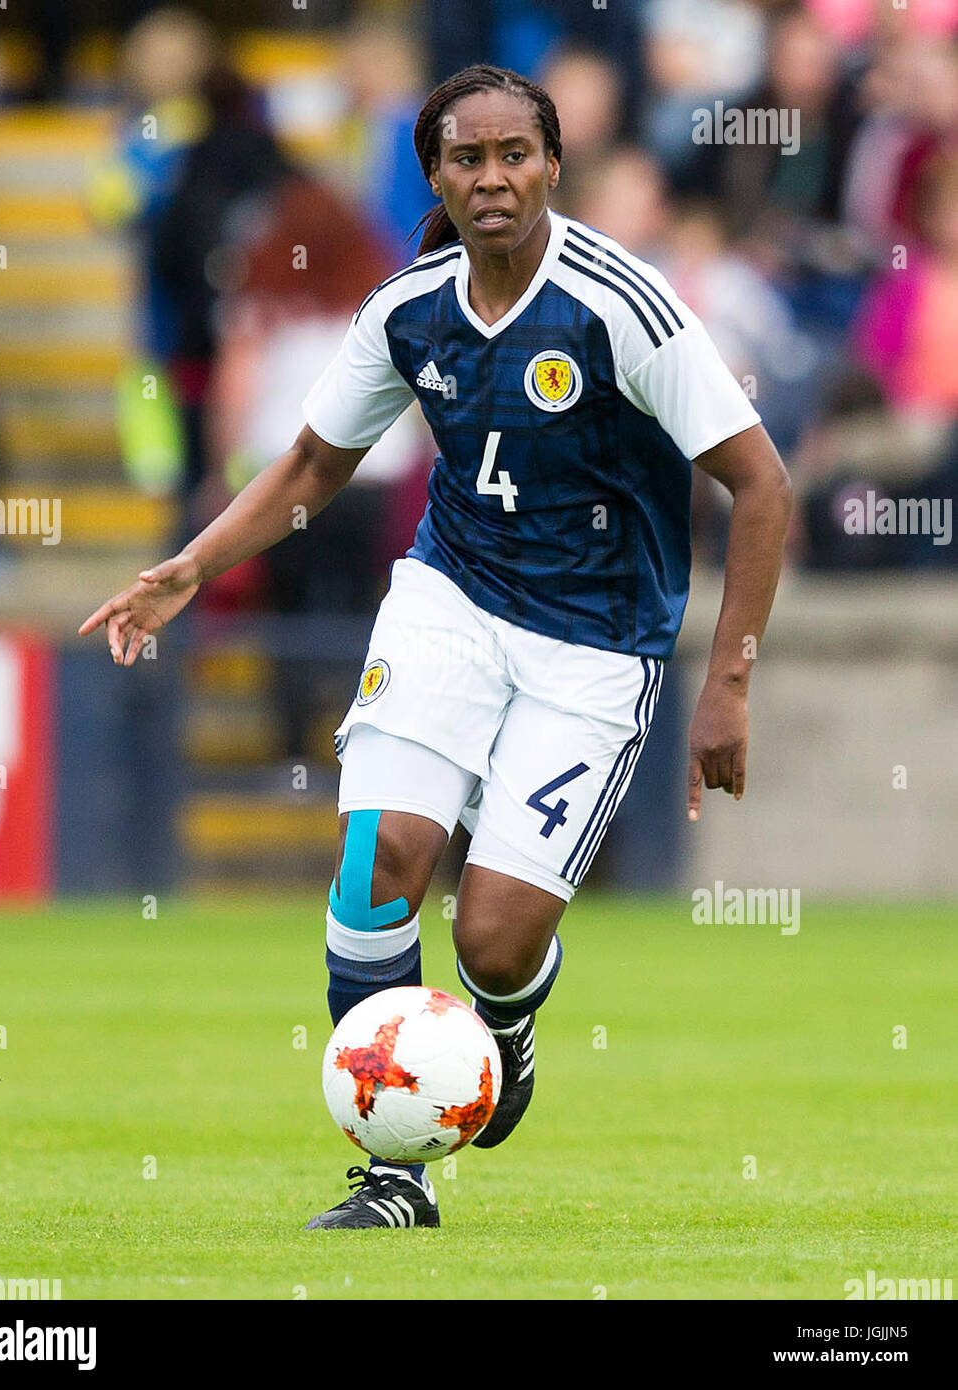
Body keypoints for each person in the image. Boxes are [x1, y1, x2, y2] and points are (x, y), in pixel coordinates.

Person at [79, 64, 792, 1231]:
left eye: (515, 154)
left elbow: (757, 484)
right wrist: (189, 568)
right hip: (448, 605)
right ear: (436, 175)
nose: (493, 177)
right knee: (376, 870)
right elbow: (314, 464)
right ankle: (393, 1175)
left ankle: (502, 1023)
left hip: (595, 647)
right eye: (468, 158)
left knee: (493, 937)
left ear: (552, 163)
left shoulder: (622, 305)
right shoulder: (406, 309)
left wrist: (726, 685)